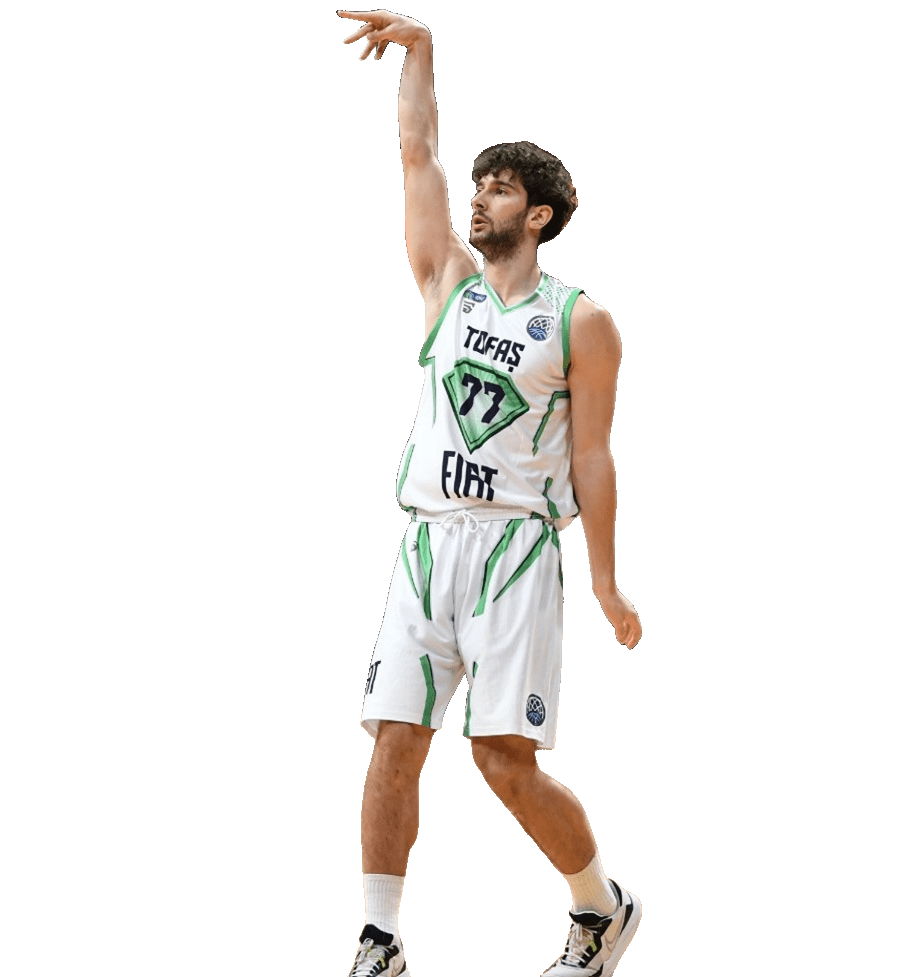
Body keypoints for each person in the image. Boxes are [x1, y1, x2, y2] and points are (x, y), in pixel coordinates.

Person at [338, 10, 643, 976]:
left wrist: (603, 579)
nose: (478, 197)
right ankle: (380, 938)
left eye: (499, 188)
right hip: (427, 540)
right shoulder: (447, 284)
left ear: (539, 215)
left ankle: (601, 907)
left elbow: (592, 458)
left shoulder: (581, 321)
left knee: (503, 763)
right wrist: (421, 52)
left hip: (514, 551)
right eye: (479, 185)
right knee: (394, 740)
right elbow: (415, 155)